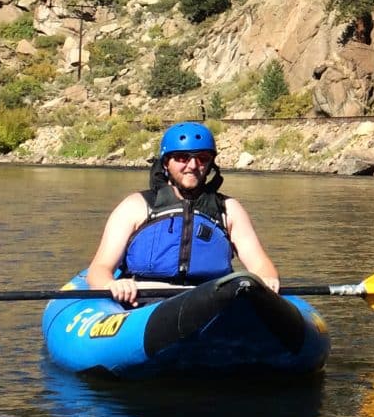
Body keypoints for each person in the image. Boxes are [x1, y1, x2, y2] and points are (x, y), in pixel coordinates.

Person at [88, 121, 280, 307]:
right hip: (144, 300)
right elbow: (100, 268)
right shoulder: (135, 206)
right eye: (182, 157)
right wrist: (111, 284)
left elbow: (260, 264)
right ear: (166, 163)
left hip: (212, 301)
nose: (193, 165)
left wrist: (268, 279)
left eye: (202, 158)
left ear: (211, 163)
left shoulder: (229, 210)